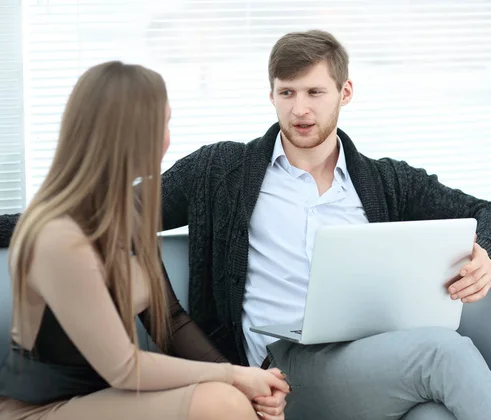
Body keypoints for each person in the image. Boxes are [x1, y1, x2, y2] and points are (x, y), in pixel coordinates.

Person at [0, 61, 289, 420]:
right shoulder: (58, 237)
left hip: (105, 398)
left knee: (234, 400)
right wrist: (233, 377)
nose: (168, 138)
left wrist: (250, 383)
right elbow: (123, 368)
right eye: (162, 123)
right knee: (223, 403)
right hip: (40, 410)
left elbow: (170, 321)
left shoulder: (124, 215)